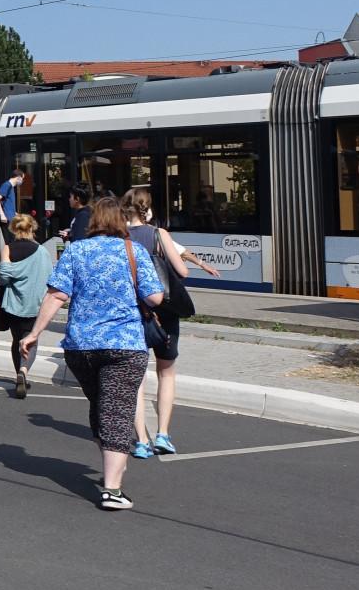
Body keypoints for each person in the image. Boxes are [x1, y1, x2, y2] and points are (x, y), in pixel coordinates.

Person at [18, 197, 164, 511]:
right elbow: (154, 298)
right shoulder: (133, 251)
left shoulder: (76, 251)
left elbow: (56, 295)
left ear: (95, 220)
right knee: (117, 411)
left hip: (81, 347)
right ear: (121, 221)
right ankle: (112, 489)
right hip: (124, 345)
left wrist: (34, 334)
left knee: (101, 405)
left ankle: (113, 462)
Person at [121, 188, 222, 459]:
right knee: (166, 372)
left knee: (136, 377)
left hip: (132, 312)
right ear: (148, 208)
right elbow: (182, 271)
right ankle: (163, 434)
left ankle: (141, 440)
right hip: (164, 312)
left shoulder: (118, 236)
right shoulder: (158, 234)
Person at [0, 213, 54, 399]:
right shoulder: (42, 252)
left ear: (14, 229)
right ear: (32, 228)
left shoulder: (8, 249)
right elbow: (50, 278)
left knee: (16, 339)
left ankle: (17, 375)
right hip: (35, 304)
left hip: (13, 304)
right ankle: (24, 371)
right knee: (31, 339)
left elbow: (4, 277)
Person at [0, 167, 25, 246]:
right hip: (7, 219)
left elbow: (7, 203)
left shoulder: (10, 187)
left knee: (12, 242)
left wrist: (15, 213)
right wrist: (2, 215)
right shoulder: (7, 185)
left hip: (11, 218)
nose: (22, 181)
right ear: (18, 177)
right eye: (22, 178)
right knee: (10, 243)